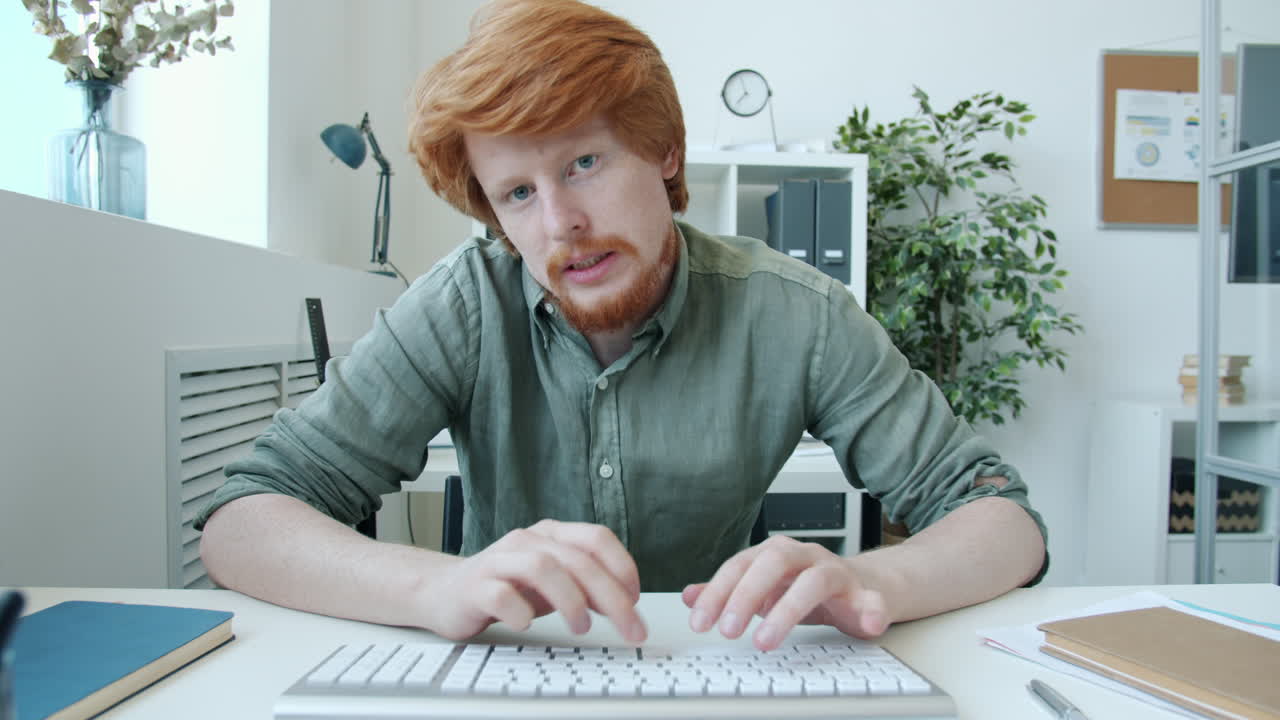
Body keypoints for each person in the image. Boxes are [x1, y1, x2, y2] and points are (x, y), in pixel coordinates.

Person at [197, 0, 1047, 652]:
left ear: (665, 152)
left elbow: (1001, 520)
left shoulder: (799, 314)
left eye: (584, 163)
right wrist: (434, 589)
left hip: (717, 672)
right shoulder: (463, 302)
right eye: (517, 193)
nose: (558, 222)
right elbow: (243, 521)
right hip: (512, 673)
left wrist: (867, 582)